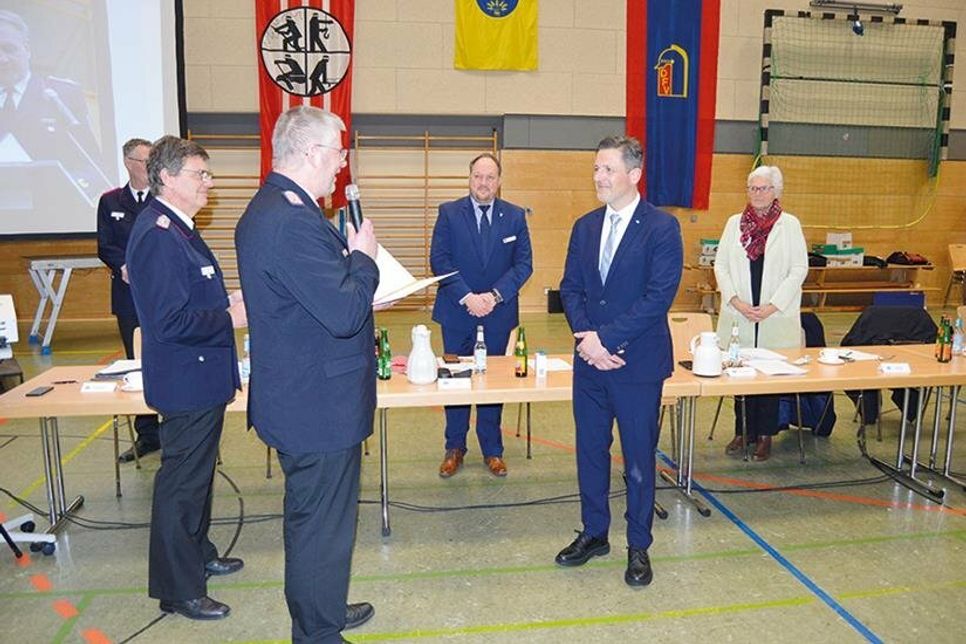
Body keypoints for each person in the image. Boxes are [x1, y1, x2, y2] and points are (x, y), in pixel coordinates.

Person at [235, 106, 378, 643]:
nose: (342, 165)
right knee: (321, 527)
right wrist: (364, 260)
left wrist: (352, 276)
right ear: (313, 152)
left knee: (318, 522)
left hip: (303, 395)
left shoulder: (273, 207)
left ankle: (323, 608)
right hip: (317, 405)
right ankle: (317, 631)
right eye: (338, 154)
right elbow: (342, 313)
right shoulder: (291, 220)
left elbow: (314, 297)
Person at [126, 135, 247, 621]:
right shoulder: (158, 235)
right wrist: (229, 317)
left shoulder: (178, 227)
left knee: (197, 478)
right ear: (168, 177)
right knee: (181, 484)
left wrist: (224, 301)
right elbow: (168, 321)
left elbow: (190, 294)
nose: (209, 183)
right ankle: (179, 589)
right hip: (186, 381)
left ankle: (198, 553)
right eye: (200, 174)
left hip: (200, 378)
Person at [557, 135, 683, 588]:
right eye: (596, 168)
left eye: (607, 169)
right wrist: (588, 340)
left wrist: (606, 339)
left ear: (634, 175)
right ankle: (594, 533)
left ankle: (638, 545)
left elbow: (658, 297)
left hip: (637, 366)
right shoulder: (584, 227)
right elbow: (570, 288)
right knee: (590, 451)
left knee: (637, 459)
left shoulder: (662, 228)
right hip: (590, 364)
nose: (599, 177)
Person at [430, 152, 533, 478]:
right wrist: (468, 297)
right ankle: (454, 447)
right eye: (478, 176)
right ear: (469, 178)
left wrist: (493, 296)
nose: (483, 183)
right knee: (455, 382)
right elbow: (440, 260)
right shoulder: (448, 213)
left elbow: (524, 265)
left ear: (499, 181)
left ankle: (493, 450)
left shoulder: (515, 216)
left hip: (498, 313)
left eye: (490, 177)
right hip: (457, 312)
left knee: (493, 383)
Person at [714, 165, 808, 461]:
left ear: (776, 191)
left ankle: (765, 435)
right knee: (739, 374)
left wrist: (772, 306)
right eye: (752, 188)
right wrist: (735, 301)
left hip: (774, 314)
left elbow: (798, 269)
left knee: (768, 377)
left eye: (763, 188)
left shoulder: (790, 225)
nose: (757, 193)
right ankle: (743, 431)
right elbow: (721, 266)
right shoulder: (734, 223)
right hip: (740, 312)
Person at [96, 138, 160, 462]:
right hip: (128, 295)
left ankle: (175, 429)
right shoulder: (110, 201)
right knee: (136, 363)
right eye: (144, 161)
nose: (149, 166)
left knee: (167, 357)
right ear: (128, 163)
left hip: (161, 293)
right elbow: (104, 245)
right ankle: (147, 435)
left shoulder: (164, 198)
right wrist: (123, 266)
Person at [0, 10, 108, 195]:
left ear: (27, 49)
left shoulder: (62, 95)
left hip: (52, 206)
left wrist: (67, 188)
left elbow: (92, 167)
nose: (2, 59)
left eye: (9, 49)